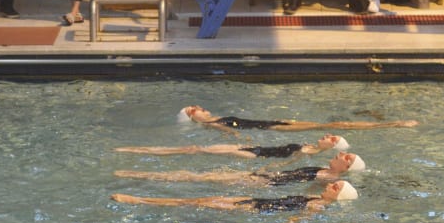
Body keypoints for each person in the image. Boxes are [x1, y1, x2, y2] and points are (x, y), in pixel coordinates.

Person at [112, 151, 365, 186]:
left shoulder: (329, 179)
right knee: (203, 176)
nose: (340, 154)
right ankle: (141, 174)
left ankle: (140, 175)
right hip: (267, 177)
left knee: (202, 178)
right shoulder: (324, 170)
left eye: (346, 156)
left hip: (266, 183)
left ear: (348, 166)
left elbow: (310, 193)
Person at [111, 179, 357, 212]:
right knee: (200, 201)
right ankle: (141, 200)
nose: (329, 186)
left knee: (198, 203)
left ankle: (141, 201)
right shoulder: (313, 197)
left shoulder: (316, 207)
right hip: (257, 202)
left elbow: (295, 219)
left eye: (334, 188)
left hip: (255, 209)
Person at [177, 105, 416, 130]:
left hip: (266, 124)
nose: (199, 107)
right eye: (193, 109)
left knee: (326, 125)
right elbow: (227, 131)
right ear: (192, 117)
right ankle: (392, 124)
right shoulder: (209, 122)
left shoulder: (213, 119)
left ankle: (391, 124)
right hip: (268, 129)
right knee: (328, 125)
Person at [115, 134, 348, 159]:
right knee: (195, 148)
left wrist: (266, 172)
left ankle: (135, 151)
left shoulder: (308, 151)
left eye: (332, 138)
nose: (327, 135)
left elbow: (289, 160)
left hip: (256, 157)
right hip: (257, 149)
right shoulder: (308, 146)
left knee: (196, 149)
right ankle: (137, 150)